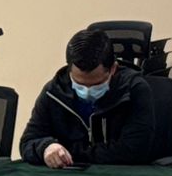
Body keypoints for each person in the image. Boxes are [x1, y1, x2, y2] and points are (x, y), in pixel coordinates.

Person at [20, 28, 160, 167]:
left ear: (113, 69)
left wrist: (70, 152)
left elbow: (133, 151)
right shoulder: (54, 92)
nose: (87, 91)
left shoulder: (134, 90)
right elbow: (27, 142)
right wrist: (45, 148)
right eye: (79, 84)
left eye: (96, 84)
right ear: (69, 70)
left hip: (122, 174)